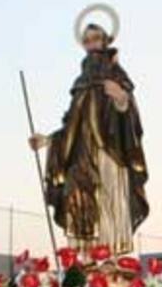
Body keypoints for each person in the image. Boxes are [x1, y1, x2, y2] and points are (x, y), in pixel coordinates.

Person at [29, 19, 149, 255]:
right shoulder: (81, 83)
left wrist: (121, 100)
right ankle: (85, 262)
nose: (91, 44)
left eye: (96, 39)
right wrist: (47, 141)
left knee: (110, 204)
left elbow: (130, 117)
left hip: (109, 151)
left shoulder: (116, 74)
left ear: (106, 41)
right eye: (86, 41)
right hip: (81, 155)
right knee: (78, 199)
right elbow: (73, 125)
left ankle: (110, 260)